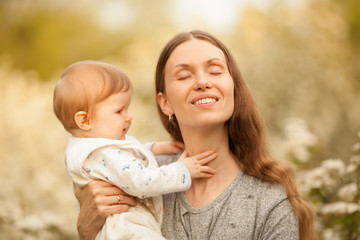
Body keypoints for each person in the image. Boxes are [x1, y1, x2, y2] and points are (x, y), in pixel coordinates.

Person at [74, 31, 318, 240]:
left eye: (214, 71)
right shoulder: (136, 178)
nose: (202, 82)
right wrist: (87, 231)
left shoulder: (269, 203)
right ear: (165, 103)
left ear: (233, 89)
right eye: (184, 75)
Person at [53, 60, 217, 240]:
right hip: (127, 230)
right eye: (119, 111)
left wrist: (154, 148)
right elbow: (141, 181)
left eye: (127, 108)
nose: (128, 116)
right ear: (84, 121)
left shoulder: (92, 146)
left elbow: (124, 160)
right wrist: (183, 170)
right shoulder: (100, 153)